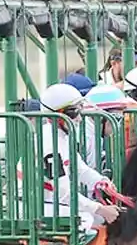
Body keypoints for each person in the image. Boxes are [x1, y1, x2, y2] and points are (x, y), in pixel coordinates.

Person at [19, 83, 121, 232]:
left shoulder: (63, 137)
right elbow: (63, 192)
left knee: (97, 217)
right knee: (87, 218)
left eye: (80, 111)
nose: (79, 119)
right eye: (74, 113)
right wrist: (100, 208)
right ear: (57, 115)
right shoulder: (48, 143)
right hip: (32, 207)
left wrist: (101, 181)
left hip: (49, 202)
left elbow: (81, 170)